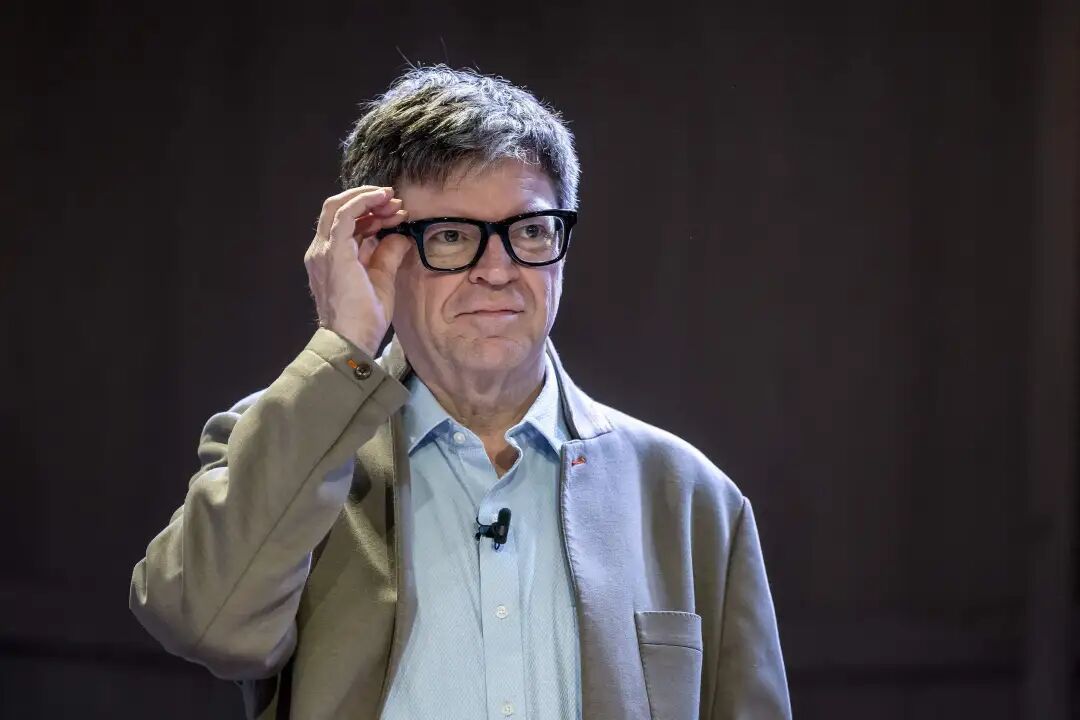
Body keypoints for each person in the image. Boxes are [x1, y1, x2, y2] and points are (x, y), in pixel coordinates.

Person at [129, 65, 791, 720]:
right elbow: (206, 624)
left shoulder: (690, 496)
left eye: (530, 231)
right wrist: (344, 345)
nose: (498, 271)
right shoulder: (285, 443)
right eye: (450, 236)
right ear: (372, 250)